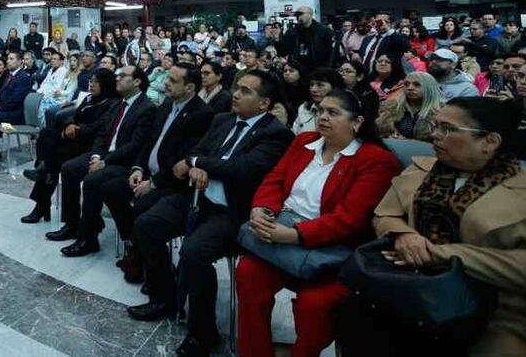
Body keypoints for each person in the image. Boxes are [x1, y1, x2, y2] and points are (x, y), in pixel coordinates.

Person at [337, 97, 526, 357]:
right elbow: (385, 214)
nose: (434, 135)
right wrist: (403, 234)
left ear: (490, 142)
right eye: (435, 126)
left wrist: (438, 254)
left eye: (447, 129)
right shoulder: (420, 170)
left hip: (490, 310)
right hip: (407, 289)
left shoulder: (520, 190)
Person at [126, 71, 293, 357]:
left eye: (245, 91)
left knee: (193, 252)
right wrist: (196, 165)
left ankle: (203, 333)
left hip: (232, 212)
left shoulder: (276, 134)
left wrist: (196, 162)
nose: (236, 94)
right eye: (236, 88)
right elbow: (196, 151)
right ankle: (164, 297)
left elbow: (244, 169)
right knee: (146, 224)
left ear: (264, 103)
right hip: (197, 199)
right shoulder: (222, 120)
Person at [237, 90, 399, 357]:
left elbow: (350, 219)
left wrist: (293, 235)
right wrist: (261, 209)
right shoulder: (304, 142)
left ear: (357, 122)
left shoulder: (376, 160)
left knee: (314, 304)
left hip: (332, 250)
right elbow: (275, 180)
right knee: (248, 273)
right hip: (281, 232)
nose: (322, 117)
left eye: (333, 113)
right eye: (319, 110)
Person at [109, 64, 215, 282]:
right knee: (110, 190)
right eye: (167, 77)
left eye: (173, 80)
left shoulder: (202, 114)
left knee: (143, 207)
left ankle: (153, 267)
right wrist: (138, 168)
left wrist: (153, 183)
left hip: (173, 183)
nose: (166, 82)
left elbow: (183, 161)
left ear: (189, 87)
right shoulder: (167, 104)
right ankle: (134, 246)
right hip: (149, 173)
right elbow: (149, 142)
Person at [46, 66, 156, 256]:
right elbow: (102, 133)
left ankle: (88, 238)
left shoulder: (146, 108)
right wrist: (97, 155)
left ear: (137, 82)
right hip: (104, 154)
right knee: (70, 168)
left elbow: (136, 145)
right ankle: (71, 223)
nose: (117, 79)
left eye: (122, 76)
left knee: (92, 181)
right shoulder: (118, 104)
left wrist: (104, 162)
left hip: (124, 162)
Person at [22, 68, 119, 222]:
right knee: (47, 135)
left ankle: (42, 205)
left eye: (95, 82)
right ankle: (42, 169)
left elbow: (100, 127)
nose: (91, 84)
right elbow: (73, 115)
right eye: (91, 81)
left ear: (105, 84)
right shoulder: (89, 98)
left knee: (53, 162)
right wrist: (69, 125)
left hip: (89, 144)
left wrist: (76, 130)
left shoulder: (112, 103)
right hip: (73, 139)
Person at [375, 71, 442, 141]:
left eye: (417, 84)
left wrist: (407, 141)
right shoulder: (389, 107)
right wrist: (387, 136)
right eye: (406, 84)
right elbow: (376, 132)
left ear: (429, 88)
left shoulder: (442, 112)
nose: (410, 88)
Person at [278, 7, 334, 72]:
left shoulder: (323, 30)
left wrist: (327, 68)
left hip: (318, 68)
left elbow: (330, 52)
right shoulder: (293, 31)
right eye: (297, 15)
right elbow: (283, 51)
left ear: (310, 15)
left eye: (301, 14)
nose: (298, 17)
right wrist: (277, 39)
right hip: (298, 68)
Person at [292, 67, 343, 135]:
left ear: (334, 87)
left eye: (320, 85)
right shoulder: (304, 108)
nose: (313, 89)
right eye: (311, 84)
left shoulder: (343, 111)